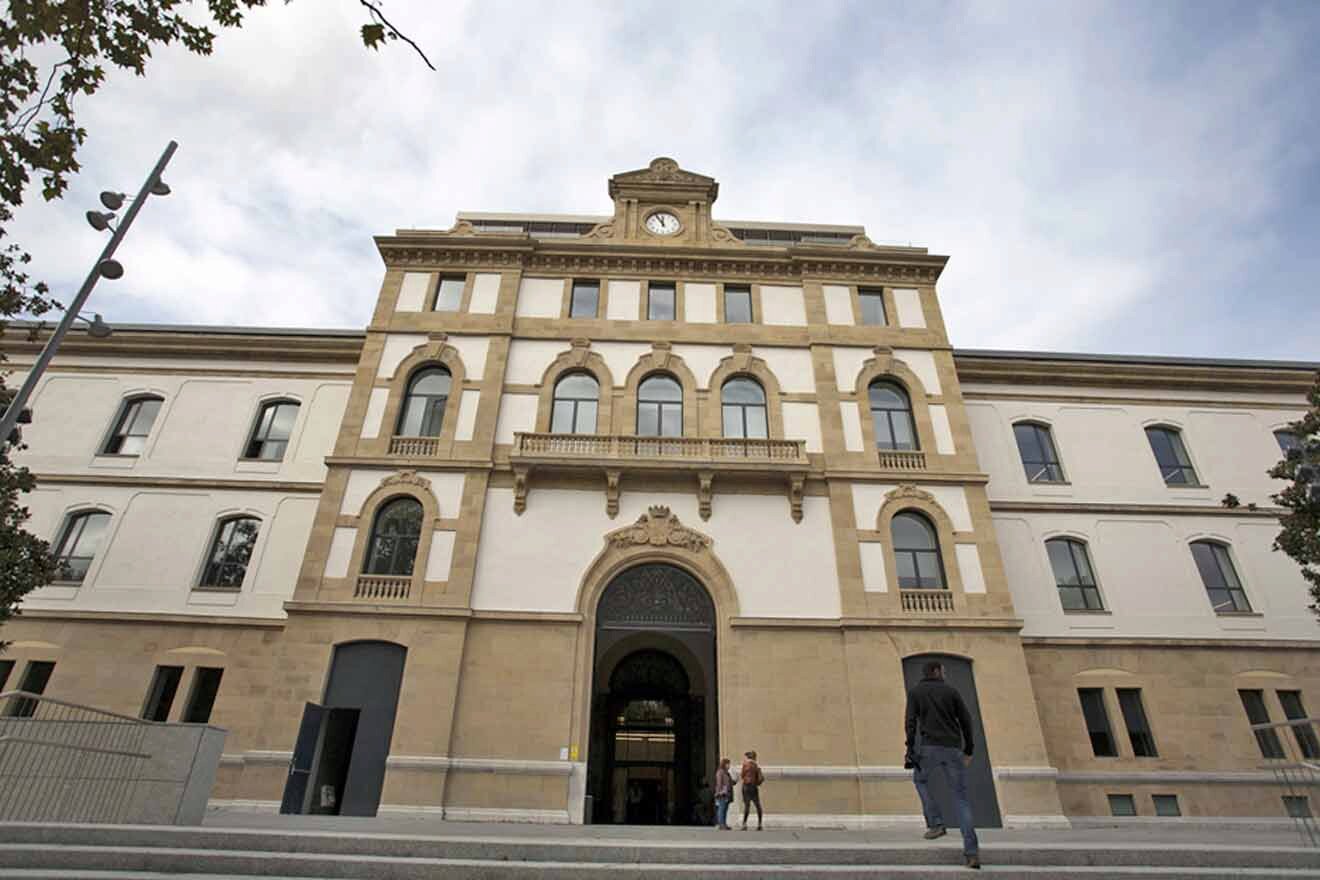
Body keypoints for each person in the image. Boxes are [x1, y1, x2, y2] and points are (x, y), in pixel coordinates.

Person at [904, 661, 980, 870]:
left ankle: (936, 823)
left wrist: (910, 749)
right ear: (936, 671)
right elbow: (966, 720)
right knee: (961, 799)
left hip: (929, 748)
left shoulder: (916, 692)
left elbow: (910, 722)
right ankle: (972, 853)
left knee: (920, 780)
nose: (944, 674)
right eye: (943, 671)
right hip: (953, 749)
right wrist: (969, 749)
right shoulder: (951, 692)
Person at [739, 749, 764, 830]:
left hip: (746, 786)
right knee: (757, 805)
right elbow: (760, 778)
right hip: (753, 786)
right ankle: (759, 824)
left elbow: (742, 775)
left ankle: (744, 823)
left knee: (747, 805)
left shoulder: (745, 765)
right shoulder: (756, 766)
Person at [713, 757, 734, 830]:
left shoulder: (726, 773)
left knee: (725, 809)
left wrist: (733, 782)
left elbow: (728, 782)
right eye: (728, 764)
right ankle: (721, 824)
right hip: (722, 794)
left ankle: (724, 824)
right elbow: (719, 783)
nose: (729, 766)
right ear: (724, 764)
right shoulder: (720, 772)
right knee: (721, 809)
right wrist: (719, 792)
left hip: (727, 793)